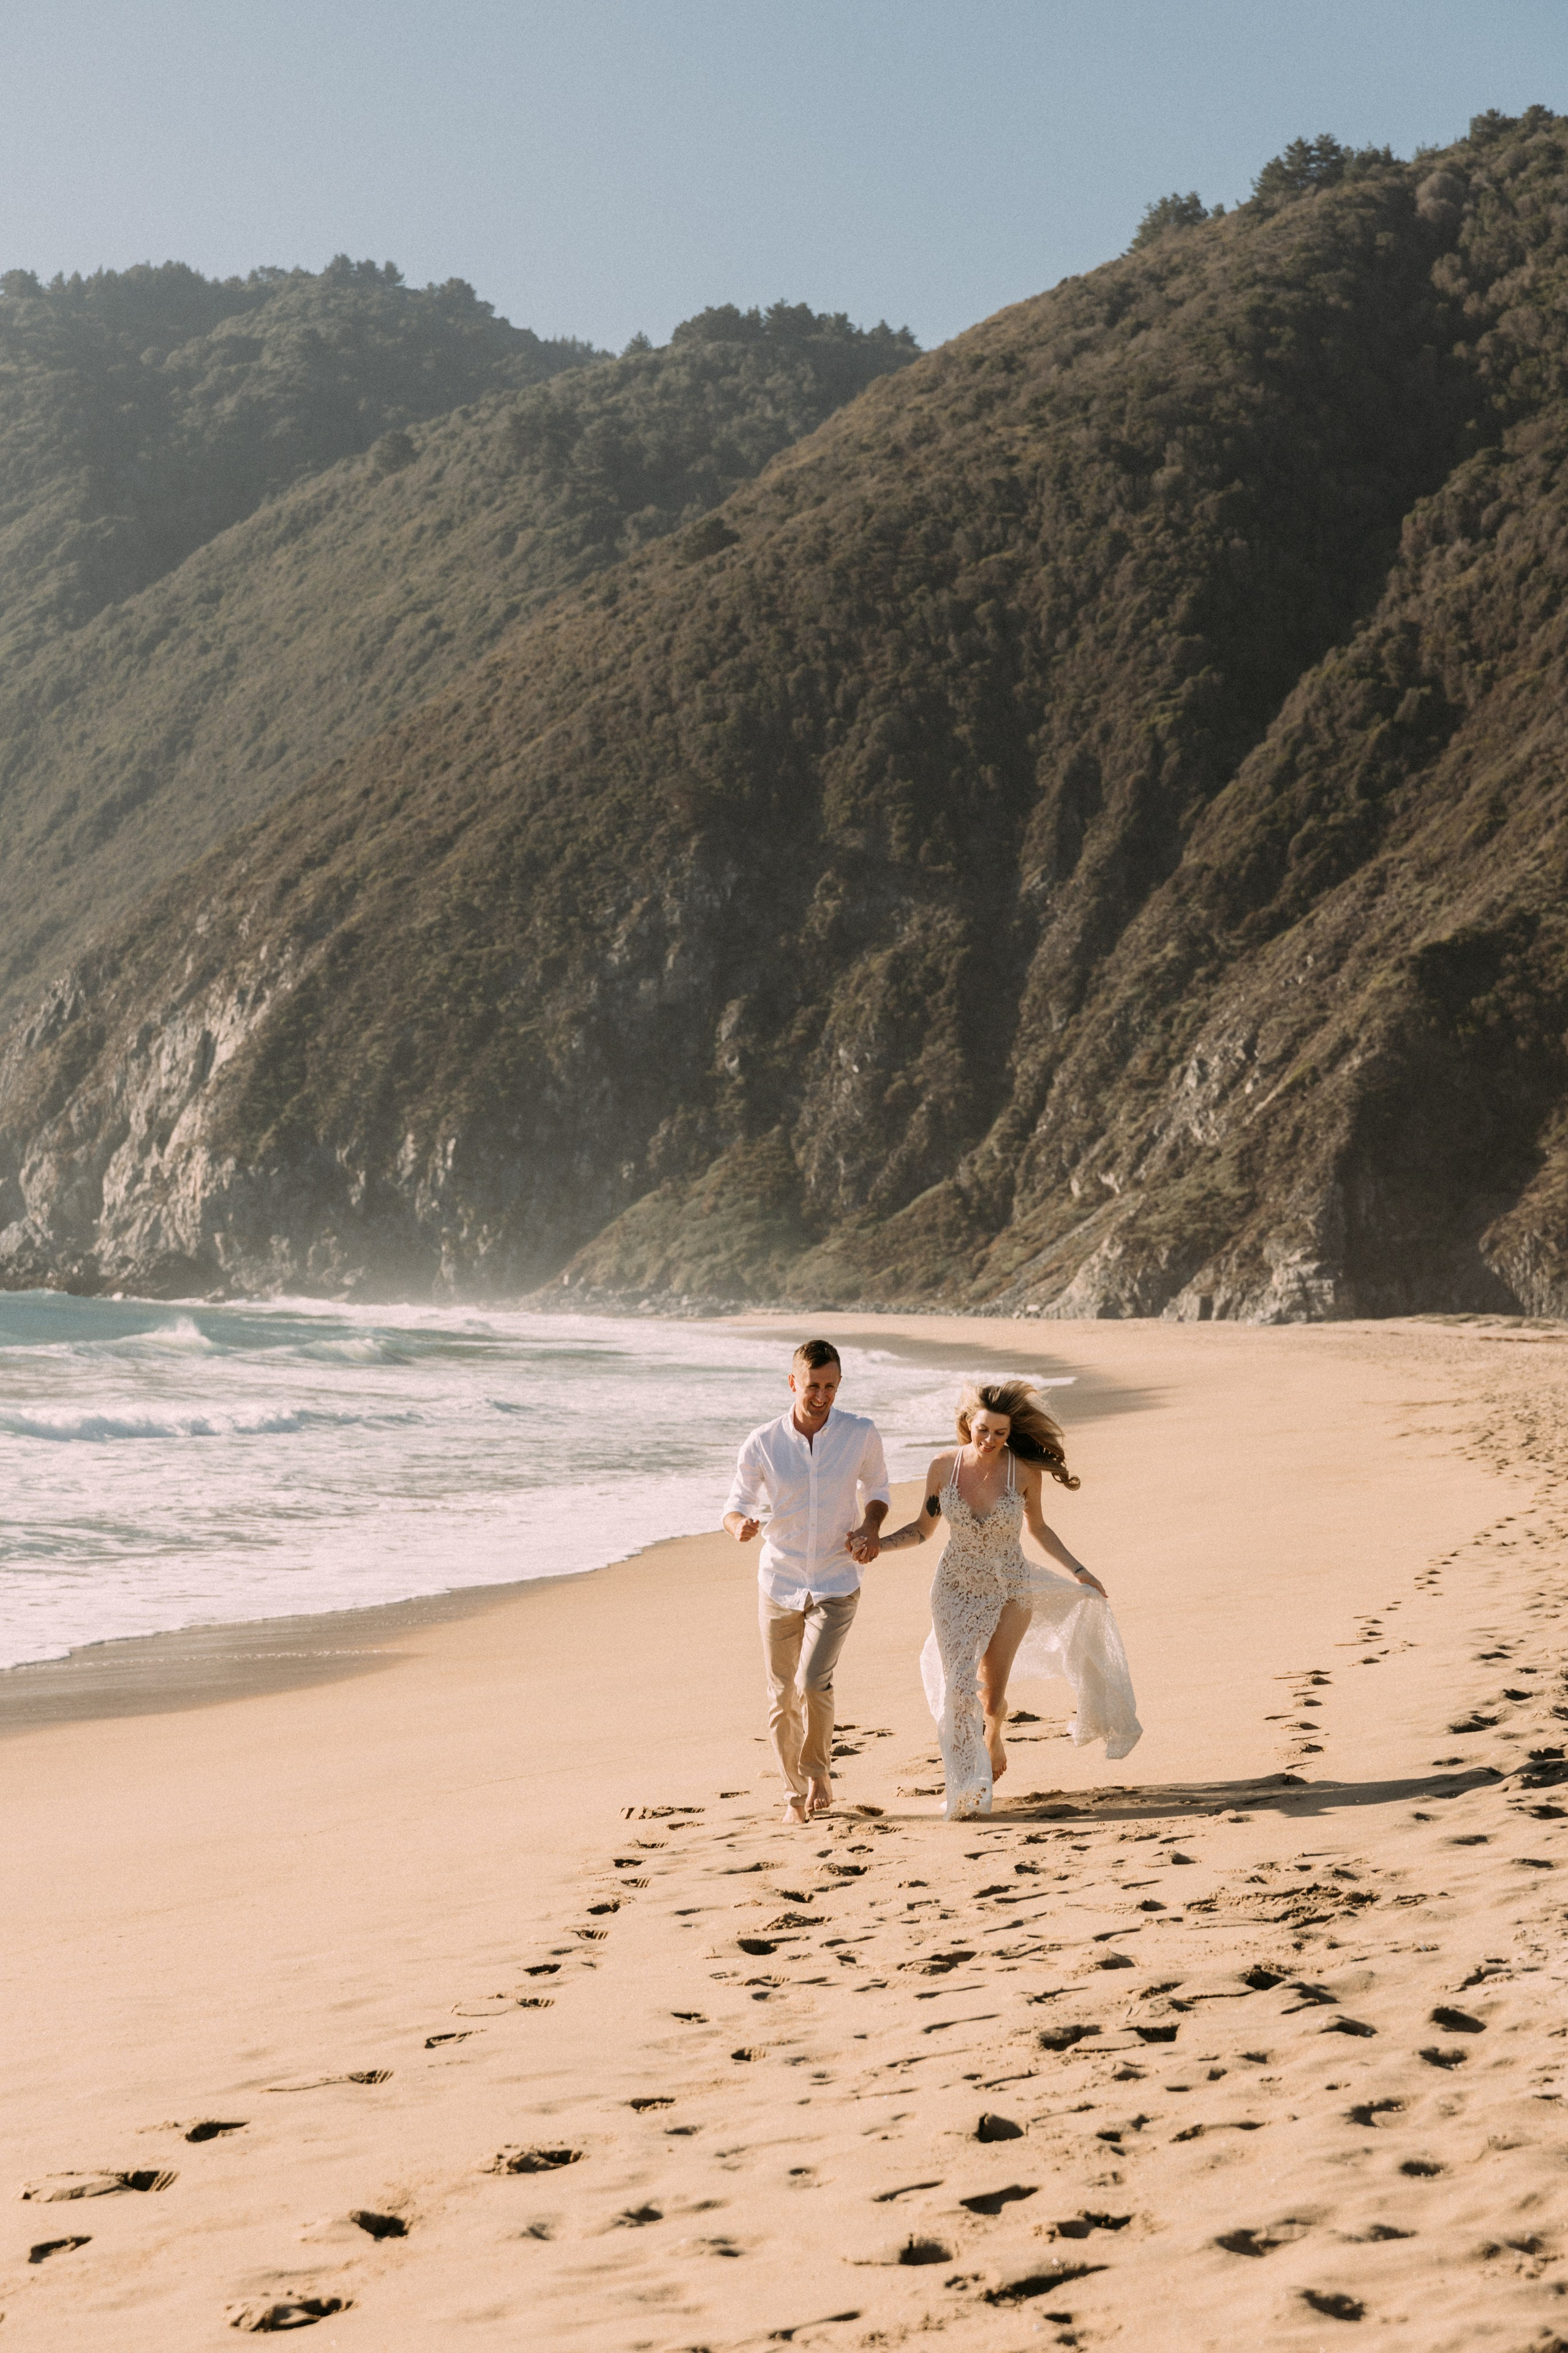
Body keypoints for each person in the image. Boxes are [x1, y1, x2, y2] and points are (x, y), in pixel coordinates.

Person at [878, 1378, 1141, 1819]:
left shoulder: (1023, 1472)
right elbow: (924, 1529)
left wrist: (1079, 1571)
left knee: (990, 1695)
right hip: (954, 1589)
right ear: (968, 1422)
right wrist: (878, 1545)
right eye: (983, 1430)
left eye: (1000, 1433)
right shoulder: (944, 1467)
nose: (990, 1440)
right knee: (959, 1689)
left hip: (1010, 1588)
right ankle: (968, 1787)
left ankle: (994, 1734)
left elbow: (1038, 1528)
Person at [725, 1339, 890, 1827]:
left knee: (812, 1681)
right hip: (780, 1579)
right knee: (780, 1695)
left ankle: (818, 1771)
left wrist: (871, 1527)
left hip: (838, 1578)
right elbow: (735, 1502)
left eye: (831, 1386)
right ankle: (794, 1796)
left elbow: (877, 1489)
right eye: (813, 1385)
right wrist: (739, 1525)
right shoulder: (763, 1442)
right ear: (793, 1382)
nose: (821, 1396)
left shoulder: (860, 1433)